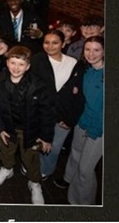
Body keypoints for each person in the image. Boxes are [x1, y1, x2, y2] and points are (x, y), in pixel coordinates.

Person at [0, 46, 57, 204]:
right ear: (7, 63)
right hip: (8, 128)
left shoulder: (38, 85)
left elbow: (47, 112)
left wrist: (46, 137)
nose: (16, 68)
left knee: (31, 159)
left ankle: (34, 182)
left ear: (28, 66)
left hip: (31, 131)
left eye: (21, 64)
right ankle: (7, 169)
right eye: (13, 62)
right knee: (6, 152)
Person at [32, 30, 86, 186]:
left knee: (54, 148)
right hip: (41, 113)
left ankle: (45, 171)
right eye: (46, 42)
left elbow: (77, 94)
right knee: (38, 144)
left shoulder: (73, 63)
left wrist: (70, 119)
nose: (50, 46)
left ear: (63, 44)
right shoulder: (38, 60)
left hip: (63, 115)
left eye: (55, 42)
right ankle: (32, 166)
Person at [66, 36, 105, 205]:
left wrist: (96, 130)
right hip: (82, 123)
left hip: (99, 129)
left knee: (85, 170)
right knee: (75, 157)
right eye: (88, 49)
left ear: (104, 51)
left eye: (96, 50)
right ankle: (73, 198)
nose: (91, 53)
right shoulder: (85, 70)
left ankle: (85, 206)